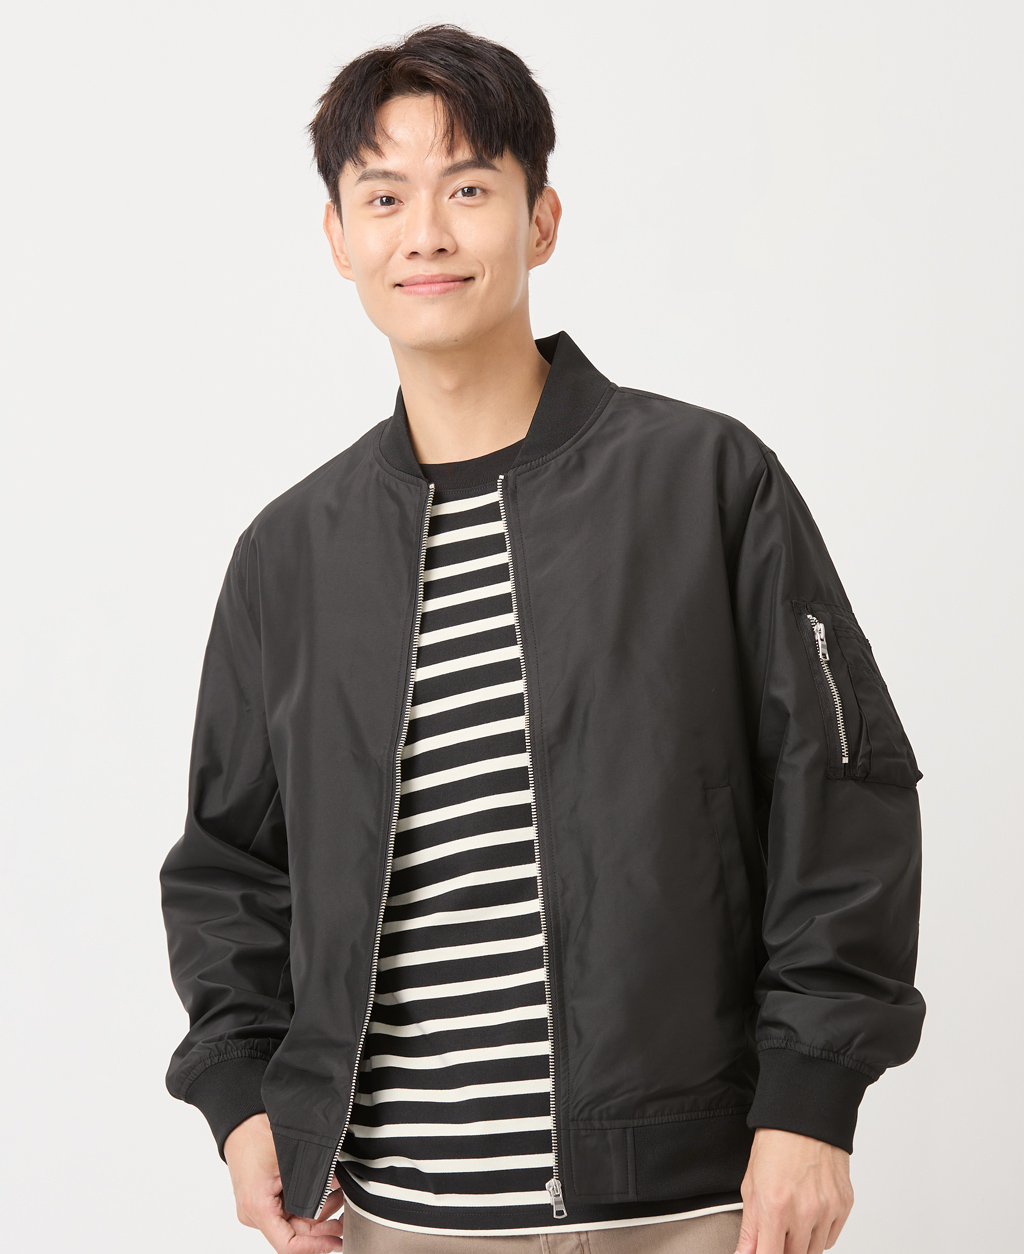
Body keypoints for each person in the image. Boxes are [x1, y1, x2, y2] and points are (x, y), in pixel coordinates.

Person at [160, 23, 925, 1254]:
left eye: (468, 189)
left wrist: (811, 1102)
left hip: (684, 1201)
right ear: (340, 239)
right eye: (384, 197)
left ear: (542, 220)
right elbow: (229, 863)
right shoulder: (289, 555)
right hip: (394, 1216)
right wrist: (242, 1099)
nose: (426, 232)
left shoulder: (705, 482)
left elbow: (842, 795)